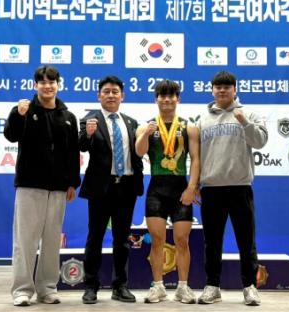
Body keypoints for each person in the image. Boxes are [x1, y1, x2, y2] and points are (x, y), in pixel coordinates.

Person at [3, 65, 80, 307]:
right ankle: (22, 290)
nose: (47, 86)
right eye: (43, 82)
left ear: (58, 84)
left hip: (58, 188)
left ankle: (47, 288)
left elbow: (72, 152)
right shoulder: (24, 110)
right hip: (30, 184)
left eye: (51, 82)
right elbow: (11, 135)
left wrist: (72, 182)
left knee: (52, 240)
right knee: (25, 240)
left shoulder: (68, 117)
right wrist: (19, 115)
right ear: (35, 85)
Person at [196, 71, 268, 306]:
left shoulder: (250, 114)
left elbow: (260, 142)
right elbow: (195, 156)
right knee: (212, 242)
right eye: (218, 87)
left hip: (240, 188)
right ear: (212, 90)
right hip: (211, 189)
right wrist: (194, 184)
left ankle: (250, 287)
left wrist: (244, 122)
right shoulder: (201, 119)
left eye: (227, 87)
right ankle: (212, 286)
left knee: (246, 241)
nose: (222, 90)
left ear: (235, 89)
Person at [78, 75, 144, 304]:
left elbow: (138, 153)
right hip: (101, 188)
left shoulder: (131, 123)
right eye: (106, 91)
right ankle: (91, 287)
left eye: (115, 92)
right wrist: (88, 133)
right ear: (99, 96)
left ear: (122, 96)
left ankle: (120, 286)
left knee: (122, 239)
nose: (111, 95)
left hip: (126, 187)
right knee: (95, 238)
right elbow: (81, 146)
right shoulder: (90, 119)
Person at [135, 80, 200, 304]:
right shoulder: (146, 127)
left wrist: (191, 188)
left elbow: (196, 159)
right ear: (156, 99)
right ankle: (158, 286)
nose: (167, 100)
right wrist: (145, 135)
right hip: (156, 190)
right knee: (157, 240)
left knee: (182, 240)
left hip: (181, 189)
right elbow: (139, 152)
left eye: (171, 96)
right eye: (162, 96)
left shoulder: (189, 127)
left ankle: (183, 287)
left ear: (177, 99)